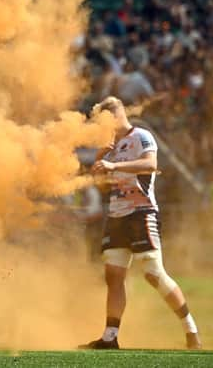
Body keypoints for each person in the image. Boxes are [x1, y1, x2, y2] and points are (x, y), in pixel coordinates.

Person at [80, 97, 202, 350]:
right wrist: (99, 166)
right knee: (113, 276)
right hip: (116, 215)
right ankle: (110, 337)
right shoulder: (110, 146)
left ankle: (191, 331)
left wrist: (114, 164)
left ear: (115, 115)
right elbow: (103, 185)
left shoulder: (142, 136)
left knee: (153, 272)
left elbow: (151, 164)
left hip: (141, 211)